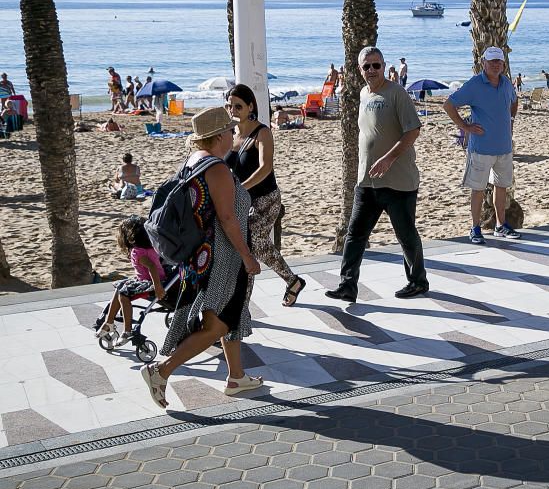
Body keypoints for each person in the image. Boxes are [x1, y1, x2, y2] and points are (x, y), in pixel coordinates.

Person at [140, 107, 263, 408]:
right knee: (218, 324)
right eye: (231, 130)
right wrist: (247, 257)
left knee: (229, 314)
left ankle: (236, 377)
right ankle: (161, 371)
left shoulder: (193, 162)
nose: (234, 134)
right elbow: (227, 218)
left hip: (201, 258)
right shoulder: (217, 168)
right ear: (220, 135)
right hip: (223, 258)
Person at [324, 46, 428, 302]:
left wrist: (389, 158)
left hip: (398, 181)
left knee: (406, 235)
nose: (371, 70)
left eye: (376, 65)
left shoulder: (397, 93)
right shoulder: (363, 93)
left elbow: (413, 130)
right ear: (359, 70)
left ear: (384, 65)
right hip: (367, 181)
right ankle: (347, 285)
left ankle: (418, 281)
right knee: (355, 234)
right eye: (366, 66)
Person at [225, 84, 305, 307]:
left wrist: (241, 188)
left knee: (250, 245)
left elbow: (265, 168)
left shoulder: (262, 132)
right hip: (241, 201)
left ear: (250, 105)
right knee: (257, 245)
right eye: (229, 106)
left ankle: (243, 306)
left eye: (238, 106)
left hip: (266, 199)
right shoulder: (230, 133)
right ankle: (293, 280)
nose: (233, 110)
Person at [444, 46, 521, 244]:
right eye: (492, 61)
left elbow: (514, 101)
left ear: (504, 64)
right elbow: (449, 105)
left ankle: (500, 226)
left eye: (499, 62)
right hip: (481, 148)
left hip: (504, 147)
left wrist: (511, 120)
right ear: (483, 63)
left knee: (501, 187)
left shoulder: (505, 83)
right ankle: (475, 227)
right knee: (477, 189)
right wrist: (464, 126)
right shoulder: (475, 84)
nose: (496, 65)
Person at [96, 216, 169, 346]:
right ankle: (109, 322)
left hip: (150, 283)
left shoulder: (138, 252)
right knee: (120, 287)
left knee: (124, 295)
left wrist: (157, 287)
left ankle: (127, 330)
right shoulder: (152, 247)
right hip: (148, 280)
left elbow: (152, 267)